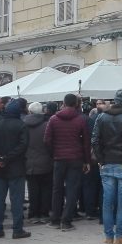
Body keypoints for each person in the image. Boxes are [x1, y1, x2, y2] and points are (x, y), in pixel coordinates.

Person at [91, 88, 122, 244]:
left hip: (107, 163)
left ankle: (109, 236)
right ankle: (120, 235)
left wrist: (100, 159)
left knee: (107, 201)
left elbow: (95, 140)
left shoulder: (102, 116)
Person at [44, 93, 90, 231]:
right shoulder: (81, 120)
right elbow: (86, 142)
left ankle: (55, 220)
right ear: (76, 104)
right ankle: (66, 221)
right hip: (75, 158)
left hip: (59, 159)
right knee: (72, 190)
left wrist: (53, 153)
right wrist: (86, 160)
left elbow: (47, 140)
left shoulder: (53, 119)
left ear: (63, 103)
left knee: (57, 189)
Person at [0, 100, 30, 240]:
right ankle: (17, 229)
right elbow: (23, 146)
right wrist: (7, 157)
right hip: (16, 167)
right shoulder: (21, 125)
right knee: (16, 200)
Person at [23, 102, 52, 224]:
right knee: (46, 188)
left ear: (29, 112)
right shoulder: (47, 125)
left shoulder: (23, 125)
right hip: (46, 161)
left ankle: (33, 213)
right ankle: (44, 213)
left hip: (29, 162)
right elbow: (50, 143)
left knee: (32, 188)